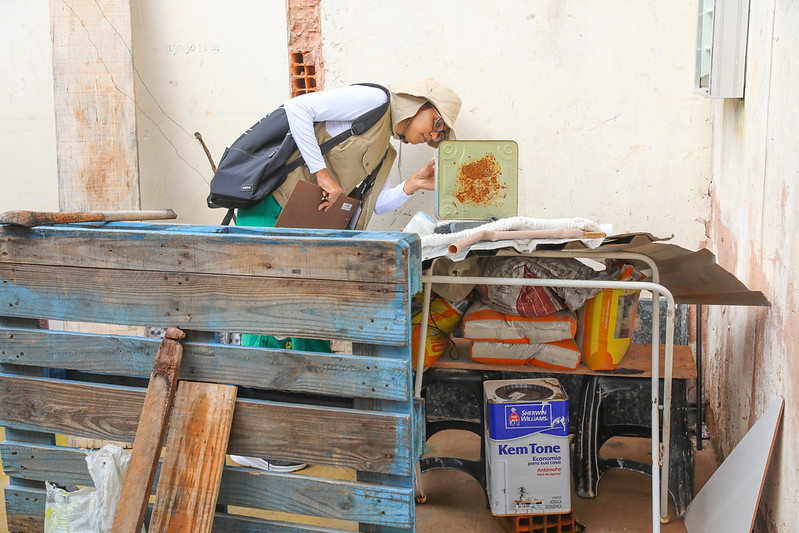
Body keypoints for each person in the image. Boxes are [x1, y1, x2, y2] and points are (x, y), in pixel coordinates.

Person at [230, 78, 462, 472]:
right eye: (436, 123)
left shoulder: (385, 149)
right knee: (270, 317)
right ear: (419, 103)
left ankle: (304, 430)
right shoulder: (374, 100)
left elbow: (370, 202)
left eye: (440, 135)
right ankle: (253, 443)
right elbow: (298, 109)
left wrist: (412, 185)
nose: (433, 135)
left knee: (311, 322)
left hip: (305, 219)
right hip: (273, 205)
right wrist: (322, 174)